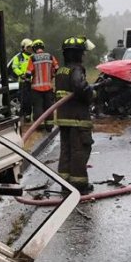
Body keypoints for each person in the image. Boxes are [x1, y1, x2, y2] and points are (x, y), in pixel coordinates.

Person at [54, 36, 95, 192]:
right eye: (82, 53)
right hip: (78, 118)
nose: (83, 56)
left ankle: (65, 184)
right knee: (79, 150)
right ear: (77, 54)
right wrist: (92, 94)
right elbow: (80, 86)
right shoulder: (76, 69)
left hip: (65, 118)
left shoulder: (61, 70)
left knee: (66, 151)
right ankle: (79, 185)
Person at [27, 40, 59, 124]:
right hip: (48, 87)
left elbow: (28, 73)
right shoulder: (50, 56)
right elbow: (56, 68)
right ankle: (49, 126)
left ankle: (39, 126)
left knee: (38, 107)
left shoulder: (32, 58)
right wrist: (51, 75)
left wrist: (27, 78)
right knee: (49, 107)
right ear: (43, 47)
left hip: (36, 88)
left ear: (34, 48)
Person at [9, 39, 34, 120]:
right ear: (23, 47)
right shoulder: (18, 57)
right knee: (23, 99)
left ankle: (29, 115)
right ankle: (24, 116)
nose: (30, 49)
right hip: (23, 82)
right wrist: (21, 74)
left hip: (33, 82)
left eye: (31, 47)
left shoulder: (34, 56)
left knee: (31, 100)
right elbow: (14, 67)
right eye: (28, 47)